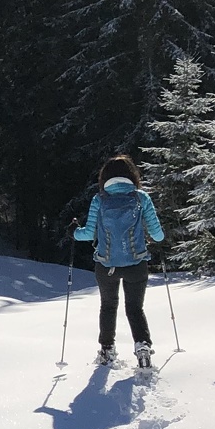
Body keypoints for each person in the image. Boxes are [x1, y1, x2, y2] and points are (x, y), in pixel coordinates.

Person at [72, 154, 166, 370]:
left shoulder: (99, 199)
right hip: (136, 264)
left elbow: (88, 234)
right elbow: (158, 235)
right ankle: (142, 347)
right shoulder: (141, 198)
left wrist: (74, 231)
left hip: (106, 265)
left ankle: (107, 350)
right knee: (135, 308)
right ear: (132, 175)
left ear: (105, 177)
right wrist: (157, 235)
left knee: (108, 306)